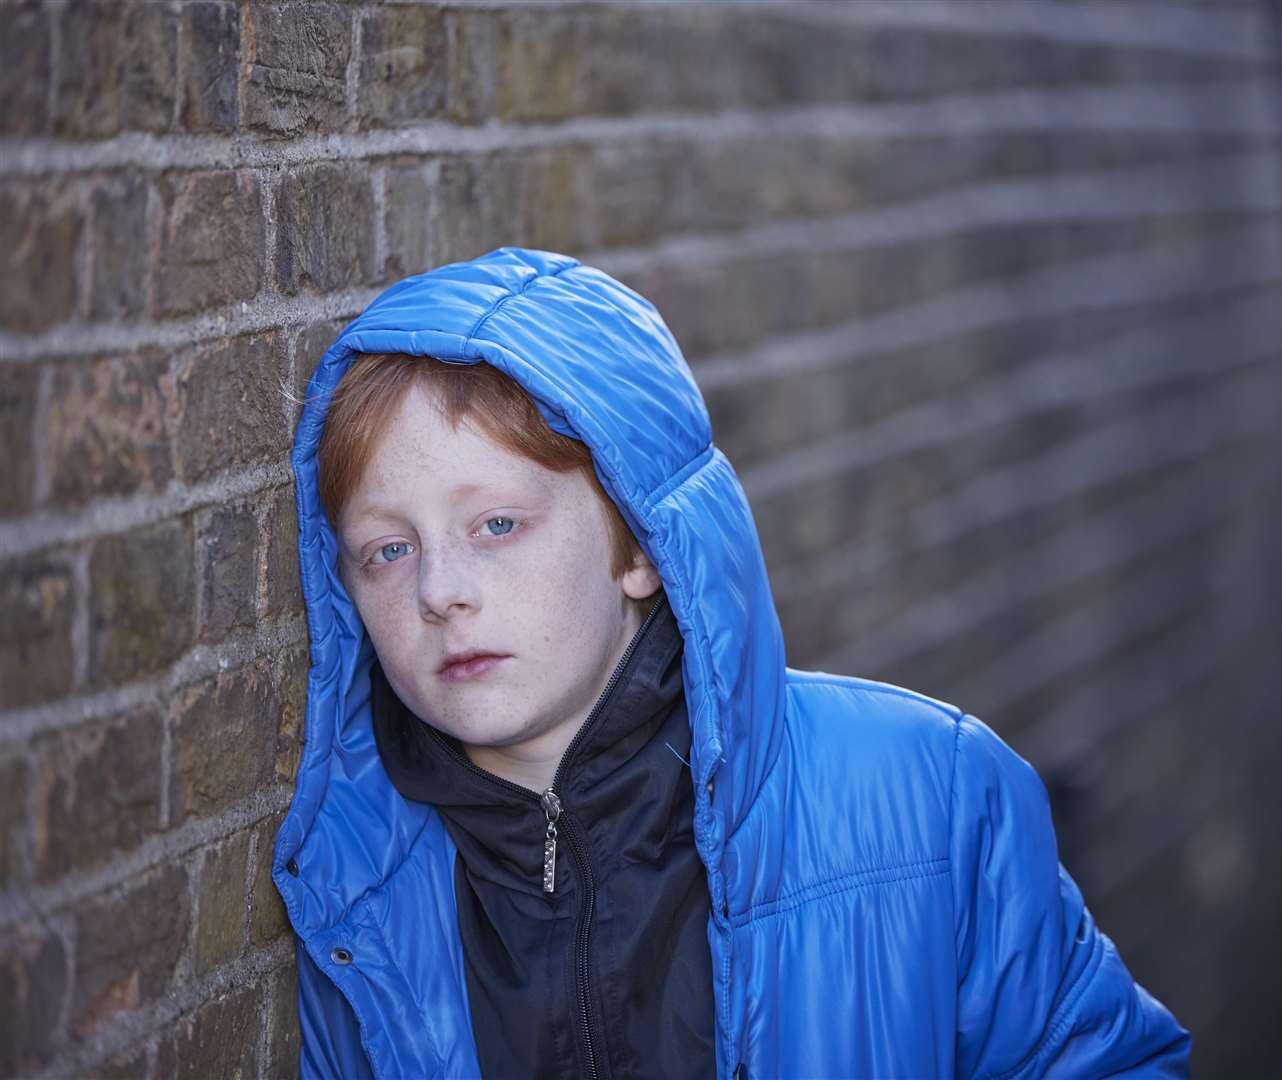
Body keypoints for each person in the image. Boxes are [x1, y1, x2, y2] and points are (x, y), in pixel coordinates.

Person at [277, 247, 1190, 1079]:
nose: (441, 589)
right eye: (388, 551)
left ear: (643, 547)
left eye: (498, 526)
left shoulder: (928, 798)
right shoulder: (354, 894)